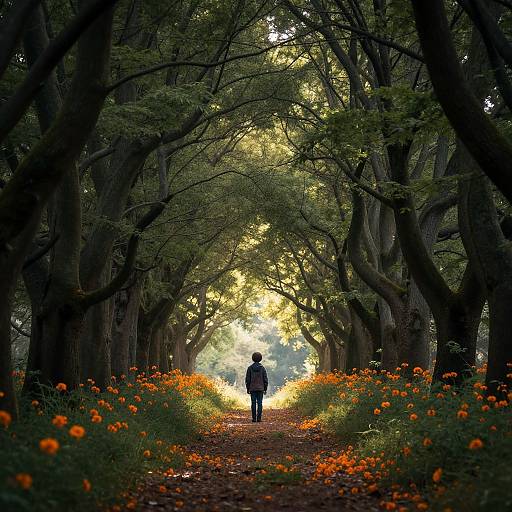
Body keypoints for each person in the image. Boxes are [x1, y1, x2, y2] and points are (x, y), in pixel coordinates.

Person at [245, 352, 268, 422]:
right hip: (260, 388)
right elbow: (265, 379)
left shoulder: (250, 368)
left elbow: (247, 380)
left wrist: (248, 388)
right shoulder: (262, 368)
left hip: (252, 388)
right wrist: (265, 388)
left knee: (253, 403)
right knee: (260, 403)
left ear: (253, 359)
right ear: (260, 359)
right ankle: (259, 418)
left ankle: (254, 418)